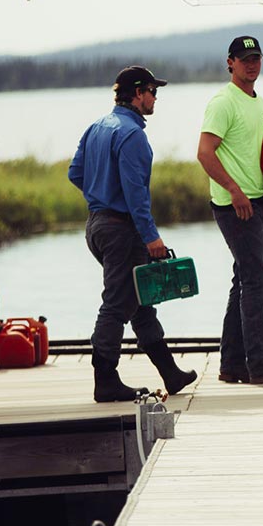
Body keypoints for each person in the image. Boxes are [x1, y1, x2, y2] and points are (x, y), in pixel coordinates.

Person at [69, 65, 198, 403]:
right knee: (115, 306)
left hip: (96, 226)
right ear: (138, 93)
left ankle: (170, 373)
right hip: (122, 231)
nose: (156, 98)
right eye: (153, 91)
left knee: (139, 302)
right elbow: (135, 192)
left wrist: (100, 193)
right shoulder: (132, 134)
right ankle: (105, 381)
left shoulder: (97, 126)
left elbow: (75, 173)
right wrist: (151, 236)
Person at [197, 36, 263, 384]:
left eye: (256, 57)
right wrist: (234, 190)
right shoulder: (223, 103)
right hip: (235, 205)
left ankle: (231, 364)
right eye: (244, 59)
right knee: (258, 280)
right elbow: (204, 153)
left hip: (257, 201)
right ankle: (260, 363)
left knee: (243, 280)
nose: (251, 64)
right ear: (230, 63)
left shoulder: (256, 101)